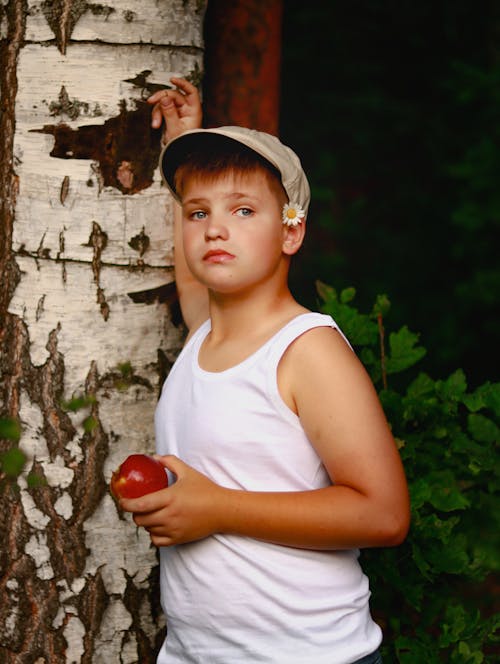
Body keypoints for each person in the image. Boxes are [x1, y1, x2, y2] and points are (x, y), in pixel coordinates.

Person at [120, 78, 410, 664]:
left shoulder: (306, 351)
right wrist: (183, 137)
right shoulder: (205, 329)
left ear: (291, 231)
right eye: (198, 213)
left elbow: (383, 514)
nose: (214, 229)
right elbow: (192, 272)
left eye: (243, 210)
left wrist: (217, 508)